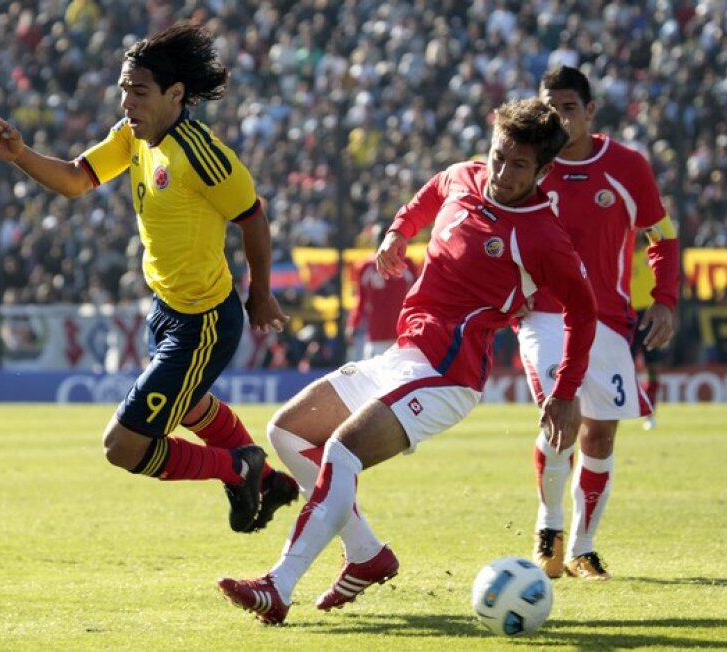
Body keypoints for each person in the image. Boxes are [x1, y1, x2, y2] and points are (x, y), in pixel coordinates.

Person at [217, 97, 598, 624]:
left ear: (544, 171)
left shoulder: (541, 235)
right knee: (287, 432)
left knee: (342, 453)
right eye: (498, 155)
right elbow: (432, 193)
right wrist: (399, 232)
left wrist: (565, 392)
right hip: (402, 357)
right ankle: (368, 555)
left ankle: (277, 585)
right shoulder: (464, 177)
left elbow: (584, 310)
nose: (501, 172)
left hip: (448, 376)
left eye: (518, 165)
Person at [0, 22, 298, 534]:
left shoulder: (203, 155)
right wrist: (20, 155)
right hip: (167, 310)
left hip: (204, 321)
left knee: (123, 447)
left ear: (175, 95)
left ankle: (240, 469)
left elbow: (253, 219)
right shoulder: (132, 136)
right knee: (189, 402)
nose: (127, 101)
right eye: (124, 88)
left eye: (139, 91)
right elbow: (74, 180)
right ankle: (265, 480)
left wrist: (261, 294)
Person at [519, 66, 679, 581]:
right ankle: (549, 526)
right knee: (559, 415)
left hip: (607, 319)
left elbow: (663, 236)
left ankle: (583, 548)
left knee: (601, 436)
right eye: (551, 108)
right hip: (543, 314)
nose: (559, 118)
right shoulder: (529, 165)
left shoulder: (628, 167)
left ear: (590, 111)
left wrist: (665, 298)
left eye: (569, 108)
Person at [345, 225, 419, 359]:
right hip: (376, 335)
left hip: (402, 333)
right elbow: (361, 299)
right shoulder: (365, 266)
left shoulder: (407, 264)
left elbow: (418, 297)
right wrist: (353, 323)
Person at [629, 232, 664, 430]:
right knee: (626, 366)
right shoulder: (621, 254)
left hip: (650, 315)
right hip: (628, 316)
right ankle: (625, 406)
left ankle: (650, 410)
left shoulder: (651, 253)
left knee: (653, 366)